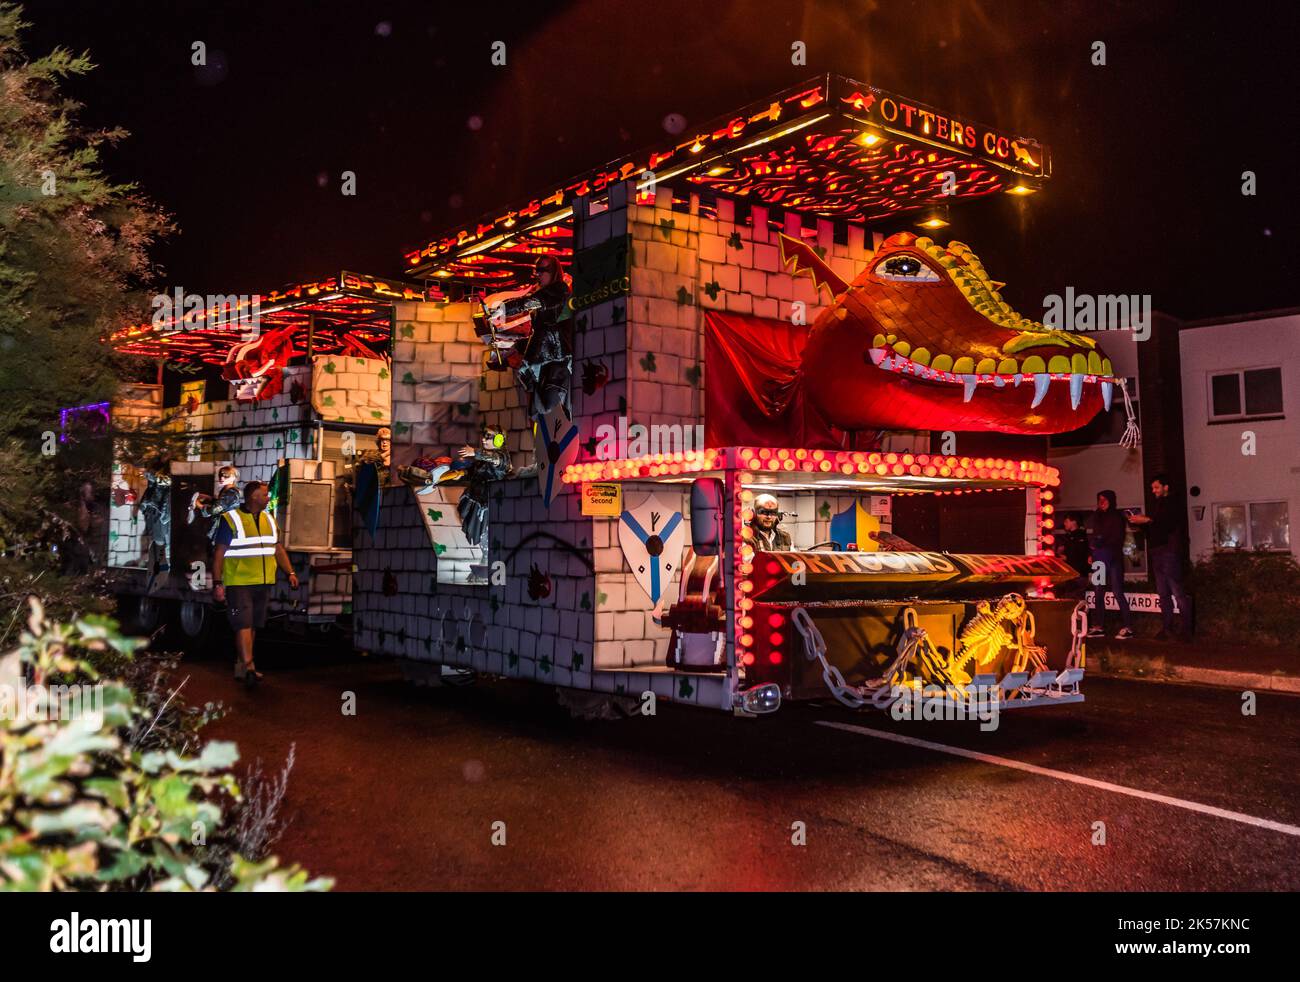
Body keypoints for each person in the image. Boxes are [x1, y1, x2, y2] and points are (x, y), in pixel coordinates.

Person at [212, 481, 299, 685]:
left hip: (263, 581)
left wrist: (290, 572)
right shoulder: (231, 519)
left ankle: (242, 667)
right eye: (265, 494)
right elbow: (219, 554)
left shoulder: (269, 519)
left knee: (252, 626)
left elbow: (277, 549)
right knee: (243, 623)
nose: (268, 497)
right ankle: (249, 667)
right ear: (253, 497)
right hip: (239, 582)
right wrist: (217, 582)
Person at [1130, 473, 1193, 641]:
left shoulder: (1173, 503)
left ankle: (1186, 630)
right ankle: (1167, 628)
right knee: (1163, 593)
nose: (1153, 491)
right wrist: (1141, 525)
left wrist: (1148, 521)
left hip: (1169, 551)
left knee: (1177, 591)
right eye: (1152, 488)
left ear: (1166, 487)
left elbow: (1166, 524)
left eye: (1156, 487)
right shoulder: (1158, 504)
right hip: (1157, 551)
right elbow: (1155, 527)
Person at [508, 255, 573, 417]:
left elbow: (530, 303)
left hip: (557, 362)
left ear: (554, 271)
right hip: (546, 363)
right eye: (536, 270)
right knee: (541, 414)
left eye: (542, 270)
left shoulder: (559, 291)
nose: (538, 274)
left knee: (551, 412)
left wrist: (504, 310)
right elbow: (539, 332)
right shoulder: (546, 294)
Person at [455, 429, 512, 564]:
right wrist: (461, 473)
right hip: (477, 499)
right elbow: (474, 470)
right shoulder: (482, 457)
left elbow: (494, 459)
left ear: (498, 440)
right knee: (478, 534)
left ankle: (486, 563)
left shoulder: (502, 457)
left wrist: (474, 452)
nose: (483, 439)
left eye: (488, 437)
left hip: (489, 506)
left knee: (487, 536)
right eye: (484, 436)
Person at [1085, 489, 1133, 639]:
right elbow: (1093, 537)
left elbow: (1116, 538)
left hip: (1113, 558)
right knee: (1098, 590)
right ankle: (1098, 626)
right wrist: (1092, 552)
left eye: (1105, 499)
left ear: (1111, 500)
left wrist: (1100, 542)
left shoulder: (1117, 516)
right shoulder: (1096, 516)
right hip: (1099, 558)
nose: (1101, 502)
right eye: (1099, 499)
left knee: (1117, 591)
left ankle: (1128, 626)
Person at [189, 465, 242, 544]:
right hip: (222, 526)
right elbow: (221, 504)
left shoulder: (231, 493)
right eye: (220, 475)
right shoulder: (226, 490)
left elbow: (215, 509)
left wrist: (199, 505)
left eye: (226, 476)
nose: (222, 478)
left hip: (227, 527)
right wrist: (209, 498)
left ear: (234, 477)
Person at [1054, 514, 1090, 596]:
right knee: (1072, 597)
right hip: (1071, 573)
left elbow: (1080, 555)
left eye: (1066, 521)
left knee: (1074, 598)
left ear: (1074, 522)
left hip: (1078, 574)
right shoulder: (1069, 536)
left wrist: (1066, 558)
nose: (1064, 524)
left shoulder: (1080, 536)